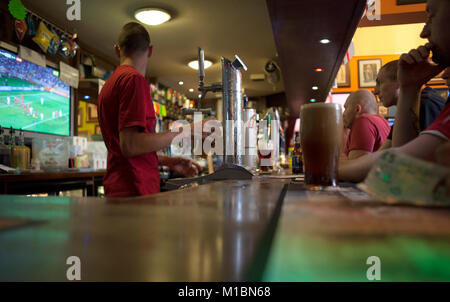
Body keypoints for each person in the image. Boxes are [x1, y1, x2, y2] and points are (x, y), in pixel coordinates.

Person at [339, 0, 450, 183]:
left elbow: (405, 166)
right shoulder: (417, 100)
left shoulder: (427, 102)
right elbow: (398, 158)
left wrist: (322, 169)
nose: (424, 32)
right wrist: (410, 88)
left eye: (431, 17)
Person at [98, 22, 204, 197]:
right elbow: (130, 145)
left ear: (117, 50)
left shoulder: (110, 84)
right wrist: (188, 131)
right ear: (150, 50)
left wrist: (168, 161)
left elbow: (126, 149)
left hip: (119, 185)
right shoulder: (133, 80)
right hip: (134, 188)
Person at [374, 59, 446, 150]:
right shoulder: (405, 111)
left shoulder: (425, 103)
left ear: (400, 80)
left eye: (379, 82)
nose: (375, 91)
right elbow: (385, 153)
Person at [342, 89, 390, 160]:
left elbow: (356, 167)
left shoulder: (363, 121)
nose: (343, 114)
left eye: (346, 108)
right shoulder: (383, 121)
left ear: (357, 109)